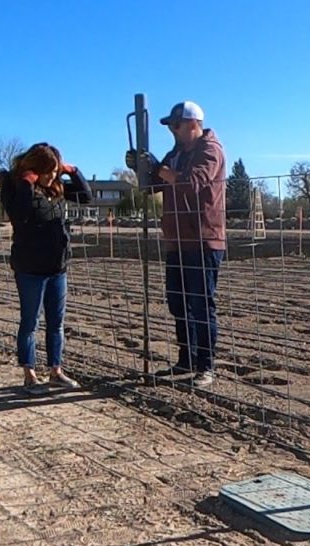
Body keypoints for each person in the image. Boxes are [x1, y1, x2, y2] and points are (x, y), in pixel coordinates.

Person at [127, 101, 227, 386]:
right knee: (178, 303)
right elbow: (154, 187)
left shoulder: (210, 149)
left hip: (202, 239)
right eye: (171, 126)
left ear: (193, 124)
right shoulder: (177, 152)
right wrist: (141, 169)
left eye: (176, 125)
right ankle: (187, 360)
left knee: (201, 303)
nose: (172, 130)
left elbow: (191, 182)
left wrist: (158, 168)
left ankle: (206, 365)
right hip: (176, 240)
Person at [0, 142, 92, 392]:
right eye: (48, 171)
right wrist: (28, 183)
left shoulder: (58, 188)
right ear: (34, 169)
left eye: (55, 171)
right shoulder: (14, 187)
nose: (52, 176)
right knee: (30, 323)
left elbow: (86, 196)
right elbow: (20, 212)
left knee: (56, 323)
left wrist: (73, 171)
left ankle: (55, 371)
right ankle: (30, 374)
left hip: (57, 267)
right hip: (30, 269)